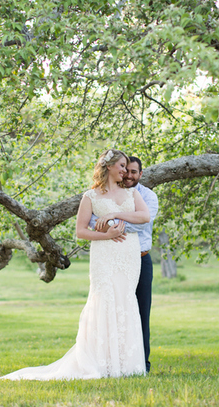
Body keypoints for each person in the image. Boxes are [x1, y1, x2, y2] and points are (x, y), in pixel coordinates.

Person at [0, 149, 150, 380]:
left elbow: (144, 216)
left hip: (128, 254)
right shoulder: (90, 196)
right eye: (121, 165)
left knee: (125, 300)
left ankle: (126, 364)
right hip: (105, 253)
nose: (124, 171)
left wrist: (115, 214)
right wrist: (107, 235)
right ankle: (101, 363)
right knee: (105, 299)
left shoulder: (131, 193)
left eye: (126, 166)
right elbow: (81, 232)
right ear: (108, 166)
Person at [91, 156, 157, 373]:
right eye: (125, 170)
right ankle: (113, 362)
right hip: (112, 259)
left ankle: (141, 364)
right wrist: (110, 223)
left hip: (140, 259)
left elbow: (141, 226)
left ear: (141, 174)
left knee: (140, 311)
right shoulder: (107, 193)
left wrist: (110, 221)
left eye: (133, 172)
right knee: (113, 310)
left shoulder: (148, 196)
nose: (128, 175)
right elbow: (92, 222)